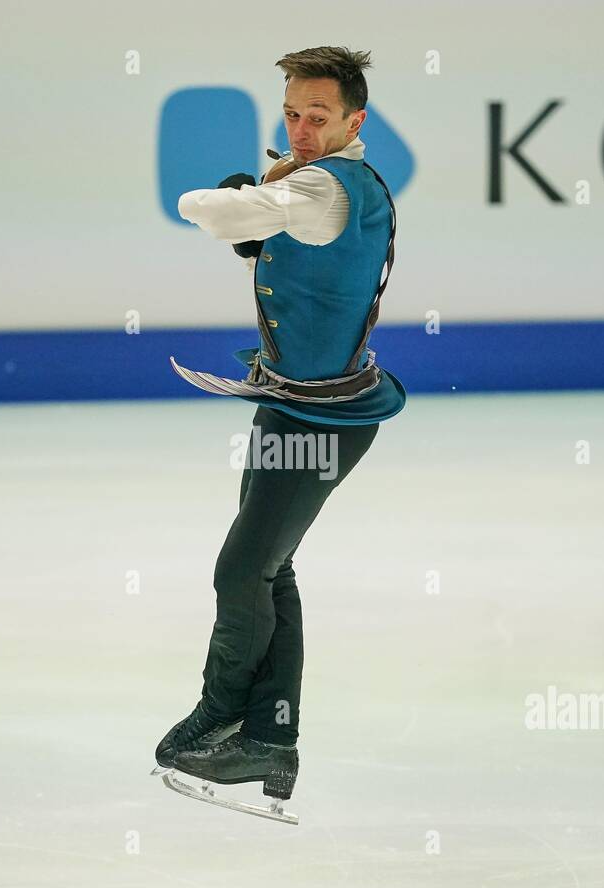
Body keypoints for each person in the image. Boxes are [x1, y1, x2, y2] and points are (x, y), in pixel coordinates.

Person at [156, 46, 406, 808]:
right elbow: (287, 259)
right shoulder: (314, 184)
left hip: (325, 421)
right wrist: (266, 205)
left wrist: (246, 198)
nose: (301, 127)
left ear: (353, 121)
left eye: (318, 116)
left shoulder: (328, 188)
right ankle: (269, 739)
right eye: (292, 113)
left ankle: (228, 716)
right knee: (271, 568)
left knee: (242, 570)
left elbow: (204, 211)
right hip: (291, 401)